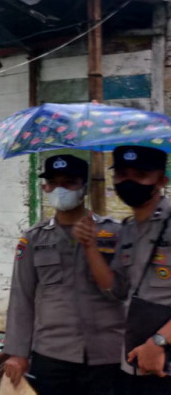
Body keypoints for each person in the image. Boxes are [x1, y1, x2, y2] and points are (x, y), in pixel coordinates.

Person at [3, 154, 123, 395]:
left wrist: (92, 245)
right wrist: (17, 353)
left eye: (69, 182)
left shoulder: (114, 233)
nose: (60, 189)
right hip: (52, 352)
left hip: (107, 353)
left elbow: (123, 291)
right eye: (53, 183)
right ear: (45, 188)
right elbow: (21, 297)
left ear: (84, 188)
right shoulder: (34, 238)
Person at [76, 145, 171, 394]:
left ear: (162, 180)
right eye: (122, 174)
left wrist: (159, 342)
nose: (129, 182)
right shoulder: (128, 230)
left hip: (162, 357)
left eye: (140, 175)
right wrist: (90, 247)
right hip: (135, 357)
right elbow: (116, 289)